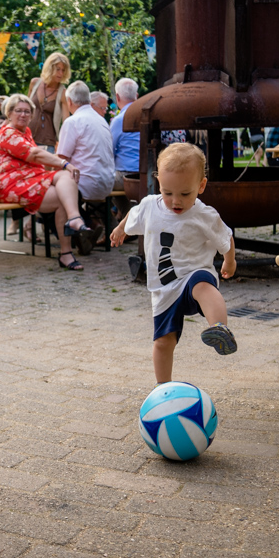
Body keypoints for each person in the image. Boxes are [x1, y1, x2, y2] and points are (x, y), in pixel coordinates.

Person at [110, 143, 238, 383]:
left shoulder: (204, 214)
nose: (175, 201)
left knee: (203, 286)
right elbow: (134, 214)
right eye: (167, 193)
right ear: (159, 182)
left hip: (194, 273)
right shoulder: (150, 205)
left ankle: (219, 328)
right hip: (164, 287)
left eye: (184, 194)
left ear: (201, 186)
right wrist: (120, 228)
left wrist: (229, 261)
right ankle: (162, 388)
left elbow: (226, 236)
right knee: (163, 341)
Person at [0, 94, 92, 270]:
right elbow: (35, 154)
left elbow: (38, 159)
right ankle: (67, 249)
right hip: (11, 183)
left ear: (32, 116)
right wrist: (65, 163)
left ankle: (73, 220)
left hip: (30, 178)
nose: (23, 115)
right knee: (64, 191)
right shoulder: (7, 132)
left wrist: (63, 166)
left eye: (27, 112)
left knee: (65, 182)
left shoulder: (26, 132)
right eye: (18, 111)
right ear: (9, 113)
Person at [58, 80, 115, 250]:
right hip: (106, 184)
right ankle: (89, 226)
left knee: (56, 192)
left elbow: (61, 158)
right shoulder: (101, 120)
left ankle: (80, 234)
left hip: (85, 184)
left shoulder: (73, 121)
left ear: (69, 101)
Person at [27, 52, 72, 153]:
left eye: (63, 70)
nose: (61, 73)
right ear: (50, 68)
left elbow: (66, 122)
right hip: (27, 137)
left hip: (47, 143)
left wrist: (64, 144)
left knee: (44, 169)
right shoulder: (34, 83)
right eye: (58, 69)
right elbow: (24, 108)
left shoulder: (63, 92)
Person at [110, 78, 141, 221]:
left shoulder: (119, 120)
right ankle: (127, 221)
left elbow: (109, 150)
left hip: (125, 177)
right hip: (147, 174)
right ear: (137, 96)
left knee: (97, 182)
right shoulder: (146, 117)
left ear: (117, 97)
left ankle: (118, 224)